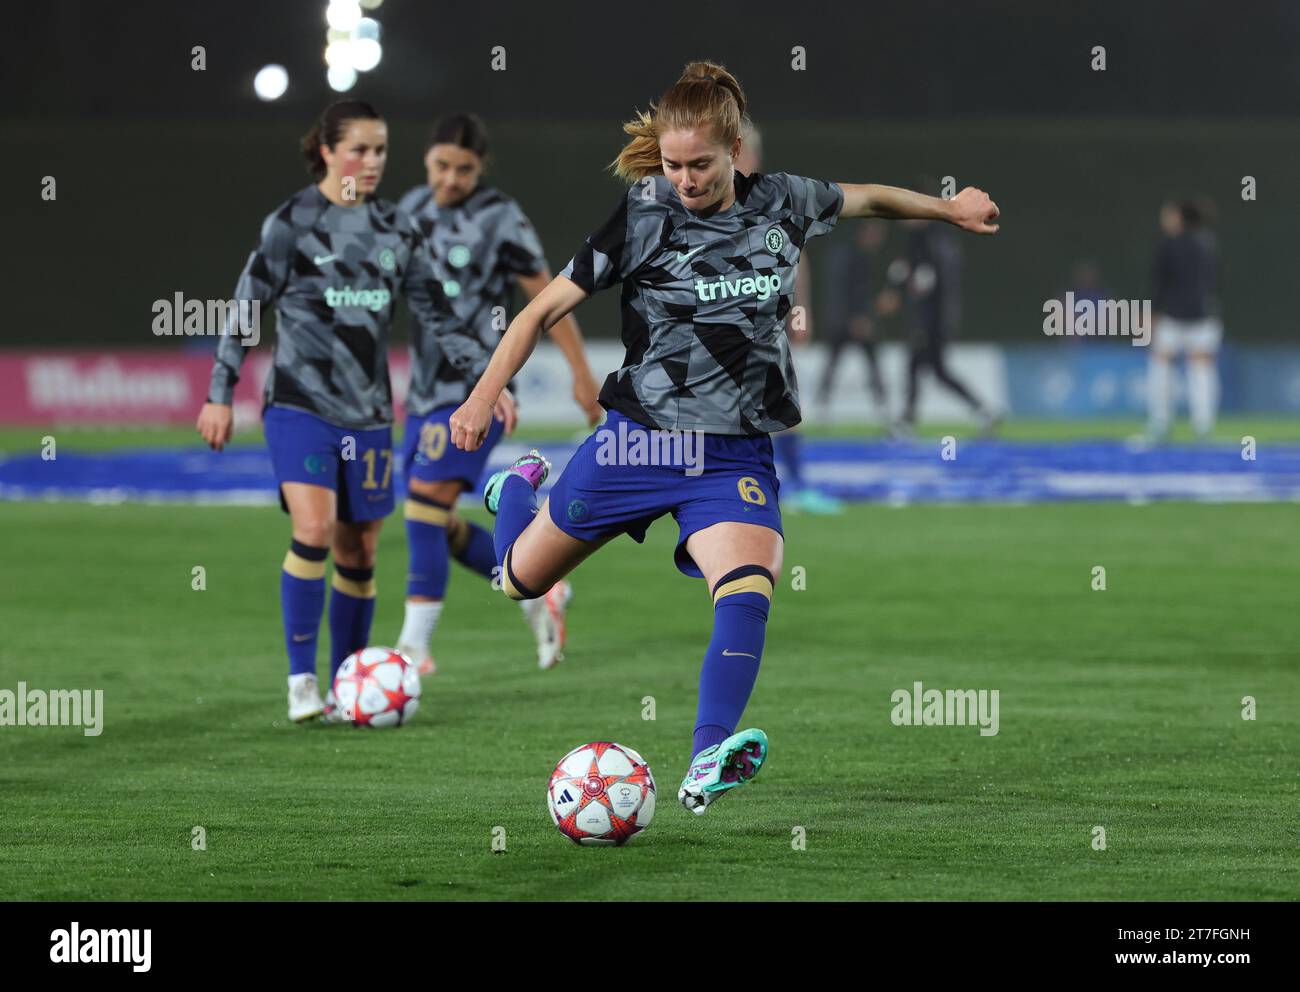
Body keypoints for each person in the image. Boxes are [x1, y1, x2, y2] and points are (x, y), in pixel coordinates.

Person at [447, 61, 998, 816]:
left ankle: (708, 754)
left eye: (699, 164)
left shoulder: (785, 200)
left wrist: (950, 208)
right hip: (639, 444)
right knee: (517, 581)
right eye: (672, 165)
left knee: (747, 587)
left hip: (733, 453)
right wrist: (483, 395)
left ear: (735, 149)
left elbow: (867, 198)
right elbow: (539, 309)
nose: (684, 179)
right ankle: (515, 488)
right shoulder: (641, 215)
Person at [196, 100, 448, 722]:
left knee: (359, 552)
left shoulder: (397, 230)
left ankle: (348, 687)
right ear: (327, 151)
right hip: (299, 404)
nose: (371, 161)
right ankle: (301, 681)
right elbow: (246, 308)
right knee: (312, 529)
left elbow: (439, 317)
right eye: (359, 149)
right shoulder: (290, 223)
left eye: (381, 149)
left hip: (367, 415)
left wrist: (490, 380)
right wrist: (220, 391)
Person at [394, 113, 603, 674]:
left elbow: (547, 300)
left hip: (480, 392)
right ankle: (540, 587)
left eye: (464, 169)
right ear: (426, 160)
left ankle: (413, 649)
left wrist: (581, 373)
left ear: (480, 168)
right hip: (421, 395)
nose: (451, 178)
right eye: (442, 166)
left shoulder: (502, 218)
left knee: (423, 507)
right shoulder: (407, 214)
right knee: (436, 519)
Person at [735, 118, 844, 514]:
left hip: (759, 327)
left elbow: (799, 254)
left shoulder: (769, 198)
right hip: (716, 330)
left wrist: (801, 311)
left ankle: (795, 485)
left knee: (779, 399)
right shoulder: (704, 199)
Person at [884, 178, 999, 437]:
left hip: (931, 316)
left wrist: (903, 284)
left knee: (919, 365)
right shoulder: (937, 236)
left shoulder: (929, 237)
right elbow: (914, 271)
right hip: (938, 314)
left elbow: (925, 277)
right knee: (936, 369)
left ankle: (907, 421)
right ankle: (984, 412)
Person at [1145, 198, 1222, 440]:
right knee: (1201, 371)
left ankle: (1160, 424)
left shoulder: (1169, 245)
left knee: (1161, 368)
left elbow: (1159, 284)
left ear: (1179, 218)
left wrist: (1151, 314)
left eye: (1169, 215)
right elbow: (1214, 281)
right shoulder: (1208, 243)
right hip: (1204, 316)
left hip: (1173, 317)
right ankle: (1203, 426)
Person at [815, 219, 890, 419]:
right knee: (836, 362)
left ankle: (883, 408)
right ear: (864, 233)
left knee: (867, 362)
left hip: (853, 319)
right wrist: (855, 319)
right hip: (849, 321)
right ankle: (821, 407)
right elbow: (847, 291)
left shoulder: (866, 256)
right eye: (874, 233)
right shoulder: (855, 257)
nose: (878, 239)